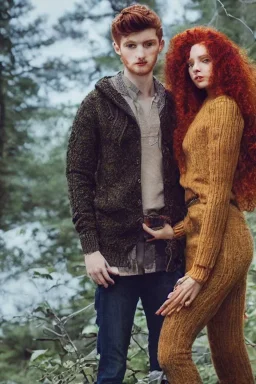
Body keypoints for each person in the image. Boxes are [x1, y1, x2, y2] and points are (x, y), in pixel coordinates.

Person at [66, 4, 186, 383]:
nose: (140, 54)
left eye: (147, 44)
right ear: (118, 48)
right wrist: (90, 248)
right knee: (112, 367)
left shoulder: (173, 105)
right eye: (130, 45)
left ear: (160, 45)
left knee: (164, 363)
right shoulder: (97, 104)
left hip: (164, 255)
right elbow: (78, 174)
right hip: (114, 259)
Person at [143, 26, 256, 383]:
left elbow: (218, 196)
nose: (196, 68)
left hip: (221, 244)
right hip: (218, 236)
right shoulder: (206, 109)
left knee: (171, 351)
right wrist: (173, 232)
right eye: (190, 63)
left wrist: (199, 274)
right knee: (227, 350)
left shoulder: (223, 109)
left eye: (205, 60)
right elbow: (202, 201)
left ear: (223, 63)